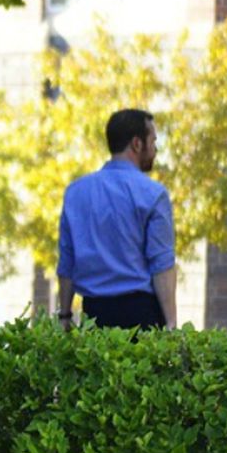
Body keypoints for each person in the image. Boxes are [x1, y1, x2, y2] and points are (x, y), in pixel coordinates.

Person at [55, 109, 177, 330]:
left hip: (94, 314)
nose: (156, 149)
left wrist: (64, 315)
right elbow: (162, 264)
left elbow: (67, 261)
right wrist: (171, 322)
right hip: (142, 315)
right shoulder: (154, 194)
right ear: (137, 144)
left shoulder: (75, 193)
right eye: (153, 141)